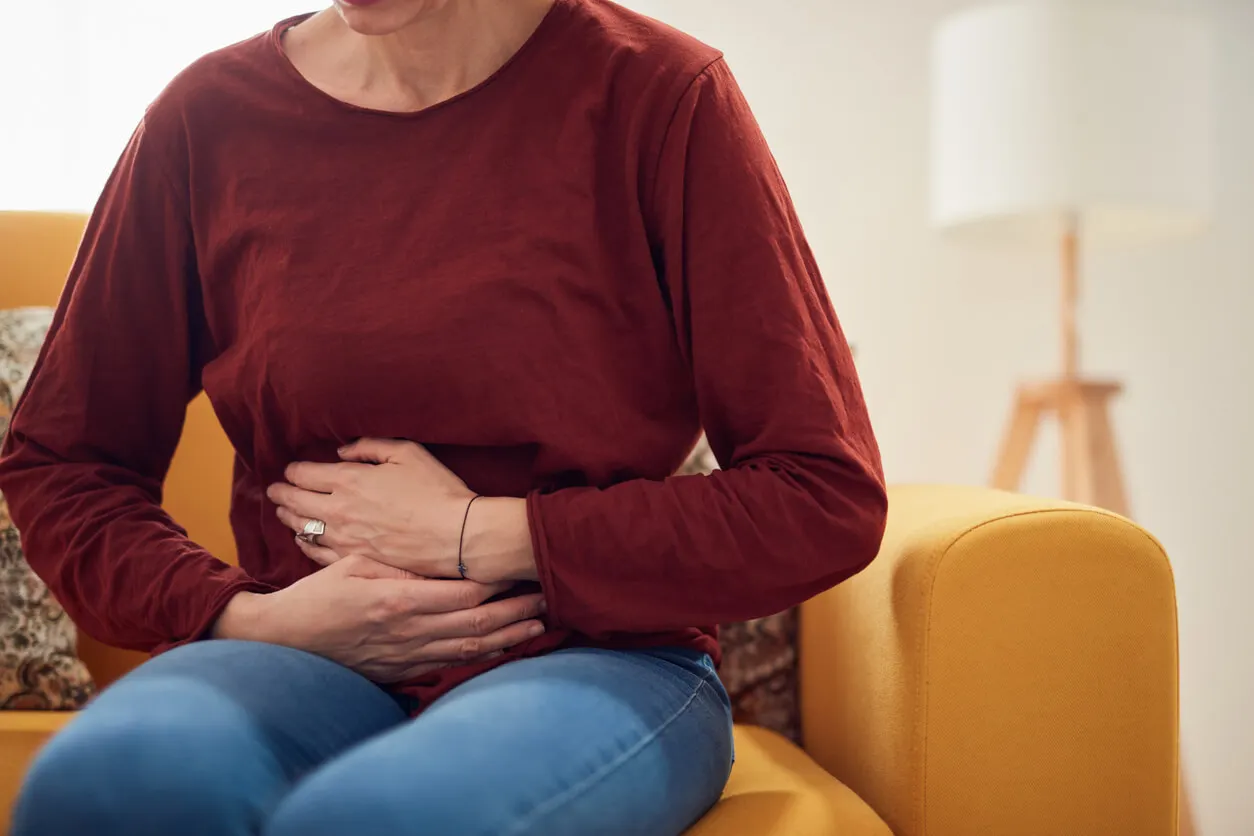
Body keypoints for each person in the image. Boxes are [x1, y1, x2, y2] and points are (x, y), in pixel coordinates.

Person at [0, 0, 887, 833]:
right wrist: (245, 616)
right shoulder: (207, 120)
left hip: (601, 661)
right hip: (300, 653)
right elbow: (64, 462)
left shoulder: (661, 98)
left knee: (382, 821)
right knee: (106, 789)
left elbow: (821, 494)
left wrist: (484, 534)